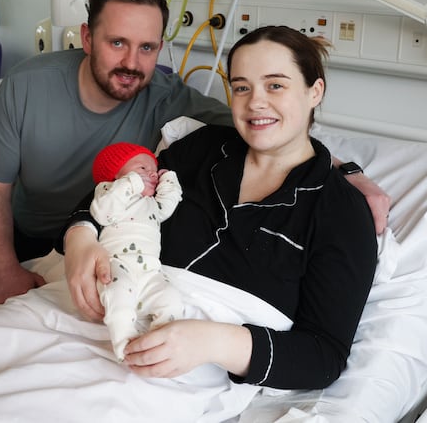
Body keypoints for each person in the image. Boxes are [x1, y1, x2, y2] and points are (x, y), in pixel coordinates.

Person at [0, 0, 389, 304]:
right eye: (117, 43)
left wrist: (348, 171)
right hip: (15, 235)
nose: (133, 62)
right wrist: (5, 268)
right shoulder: (28, 85)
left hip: (100, 242)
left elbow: (267, 128)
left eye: (147, 47)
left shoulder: (169, 99)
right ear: (87, 37)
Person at [60, 25, 378, 390]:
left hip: (174, 370)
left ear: (314, 91)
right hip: (100, 312)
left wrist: (213, 341)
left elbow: (324, 356)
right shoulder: (202, 149)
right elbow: (114, 197)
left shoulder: (341, 211)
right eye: (242, 87)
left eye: (275, 85)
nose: (255, 101)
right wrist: (79, 237)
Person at [89, 142, 184, 360]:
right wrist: (132, 183)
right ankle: (124, 343)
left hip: (150, 270)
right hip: (117, 263)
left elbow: (169, 204)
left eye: (153, 169)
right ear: (115, 174)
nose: (151, 173)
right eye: (142, 168)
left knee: (170, 298)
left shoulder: (152, 205)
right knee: (118, 292)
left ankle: (161, 339)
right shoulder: (108, 192)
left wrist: (168, 179)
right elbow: (102, 213)